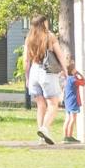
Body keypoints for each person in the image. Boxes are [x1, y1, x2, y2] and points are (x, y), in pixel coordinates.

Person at [24, 16, 59, 145]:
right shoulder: (49, 36)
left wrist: (27, 78)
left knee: (40, 105)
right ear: (43, 23)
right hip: (47, 72)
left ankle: (41, 138)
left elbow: (26, 60)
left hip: (34, 72)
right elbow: (59, 54)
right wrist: (66, 71)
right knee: (53, 104)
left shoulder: (29, 38)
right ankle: (44, 128)